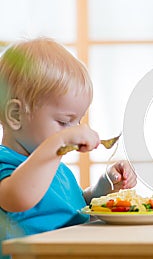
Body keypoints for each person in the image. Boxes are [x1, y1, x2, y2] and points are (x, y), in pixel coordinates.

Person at [0, 38, 136, 256]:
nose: (73, 130)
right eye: (64, 122)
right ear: (16, 115)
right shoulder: (6, 163)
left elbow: (76, 207)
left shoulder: (58, 170)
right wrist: (58, 142)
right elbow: (18, 198)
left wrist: (103, 187)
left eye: (78, 121)